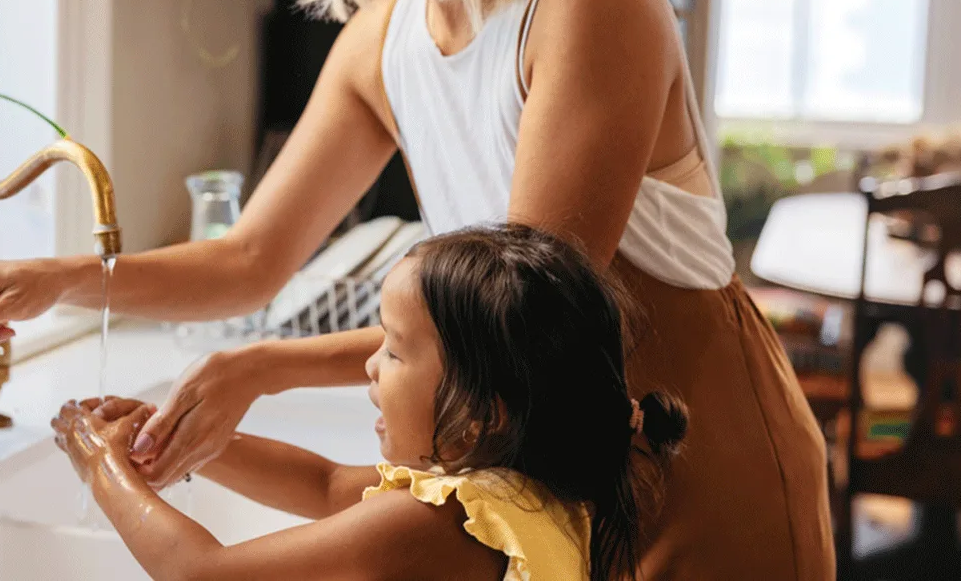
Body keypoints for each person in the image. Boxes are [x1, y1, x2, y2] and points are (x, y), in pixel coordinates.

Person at [0, 0, 834, 576]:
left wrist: (261, 365)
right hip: (531, 466)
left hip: (692, 451)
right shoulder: (377, 44)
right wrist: (57, 279)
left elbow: (517, 324)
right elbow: (247, 261)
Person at [52, 225, 689, 581]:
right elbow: (325, 484)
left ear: (483, 411)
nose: (369, 364)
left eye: (395, 349)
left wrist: (100, 465)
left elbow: (200, 574)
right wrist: (174, 438)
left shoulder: (439, 524)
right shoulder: (537, 497)